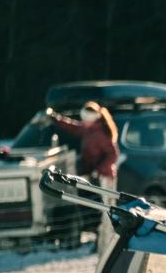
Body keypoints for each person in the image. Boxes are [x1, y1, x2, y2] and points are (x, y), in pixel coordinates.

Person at [45, 102, 120, 250]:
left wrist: (98, 170)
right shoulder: (88, 129)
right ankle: (100, 242)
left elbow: (113, 154)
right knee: (96, 211)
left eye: (85, 118)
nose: (83, 121)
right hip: (92, 177)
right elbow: (72, 127)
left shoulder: (100, 132)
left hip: (104, 178)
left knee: (104, 212)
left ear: (91, 118)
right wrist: (56, 118)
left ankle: (106, 243)